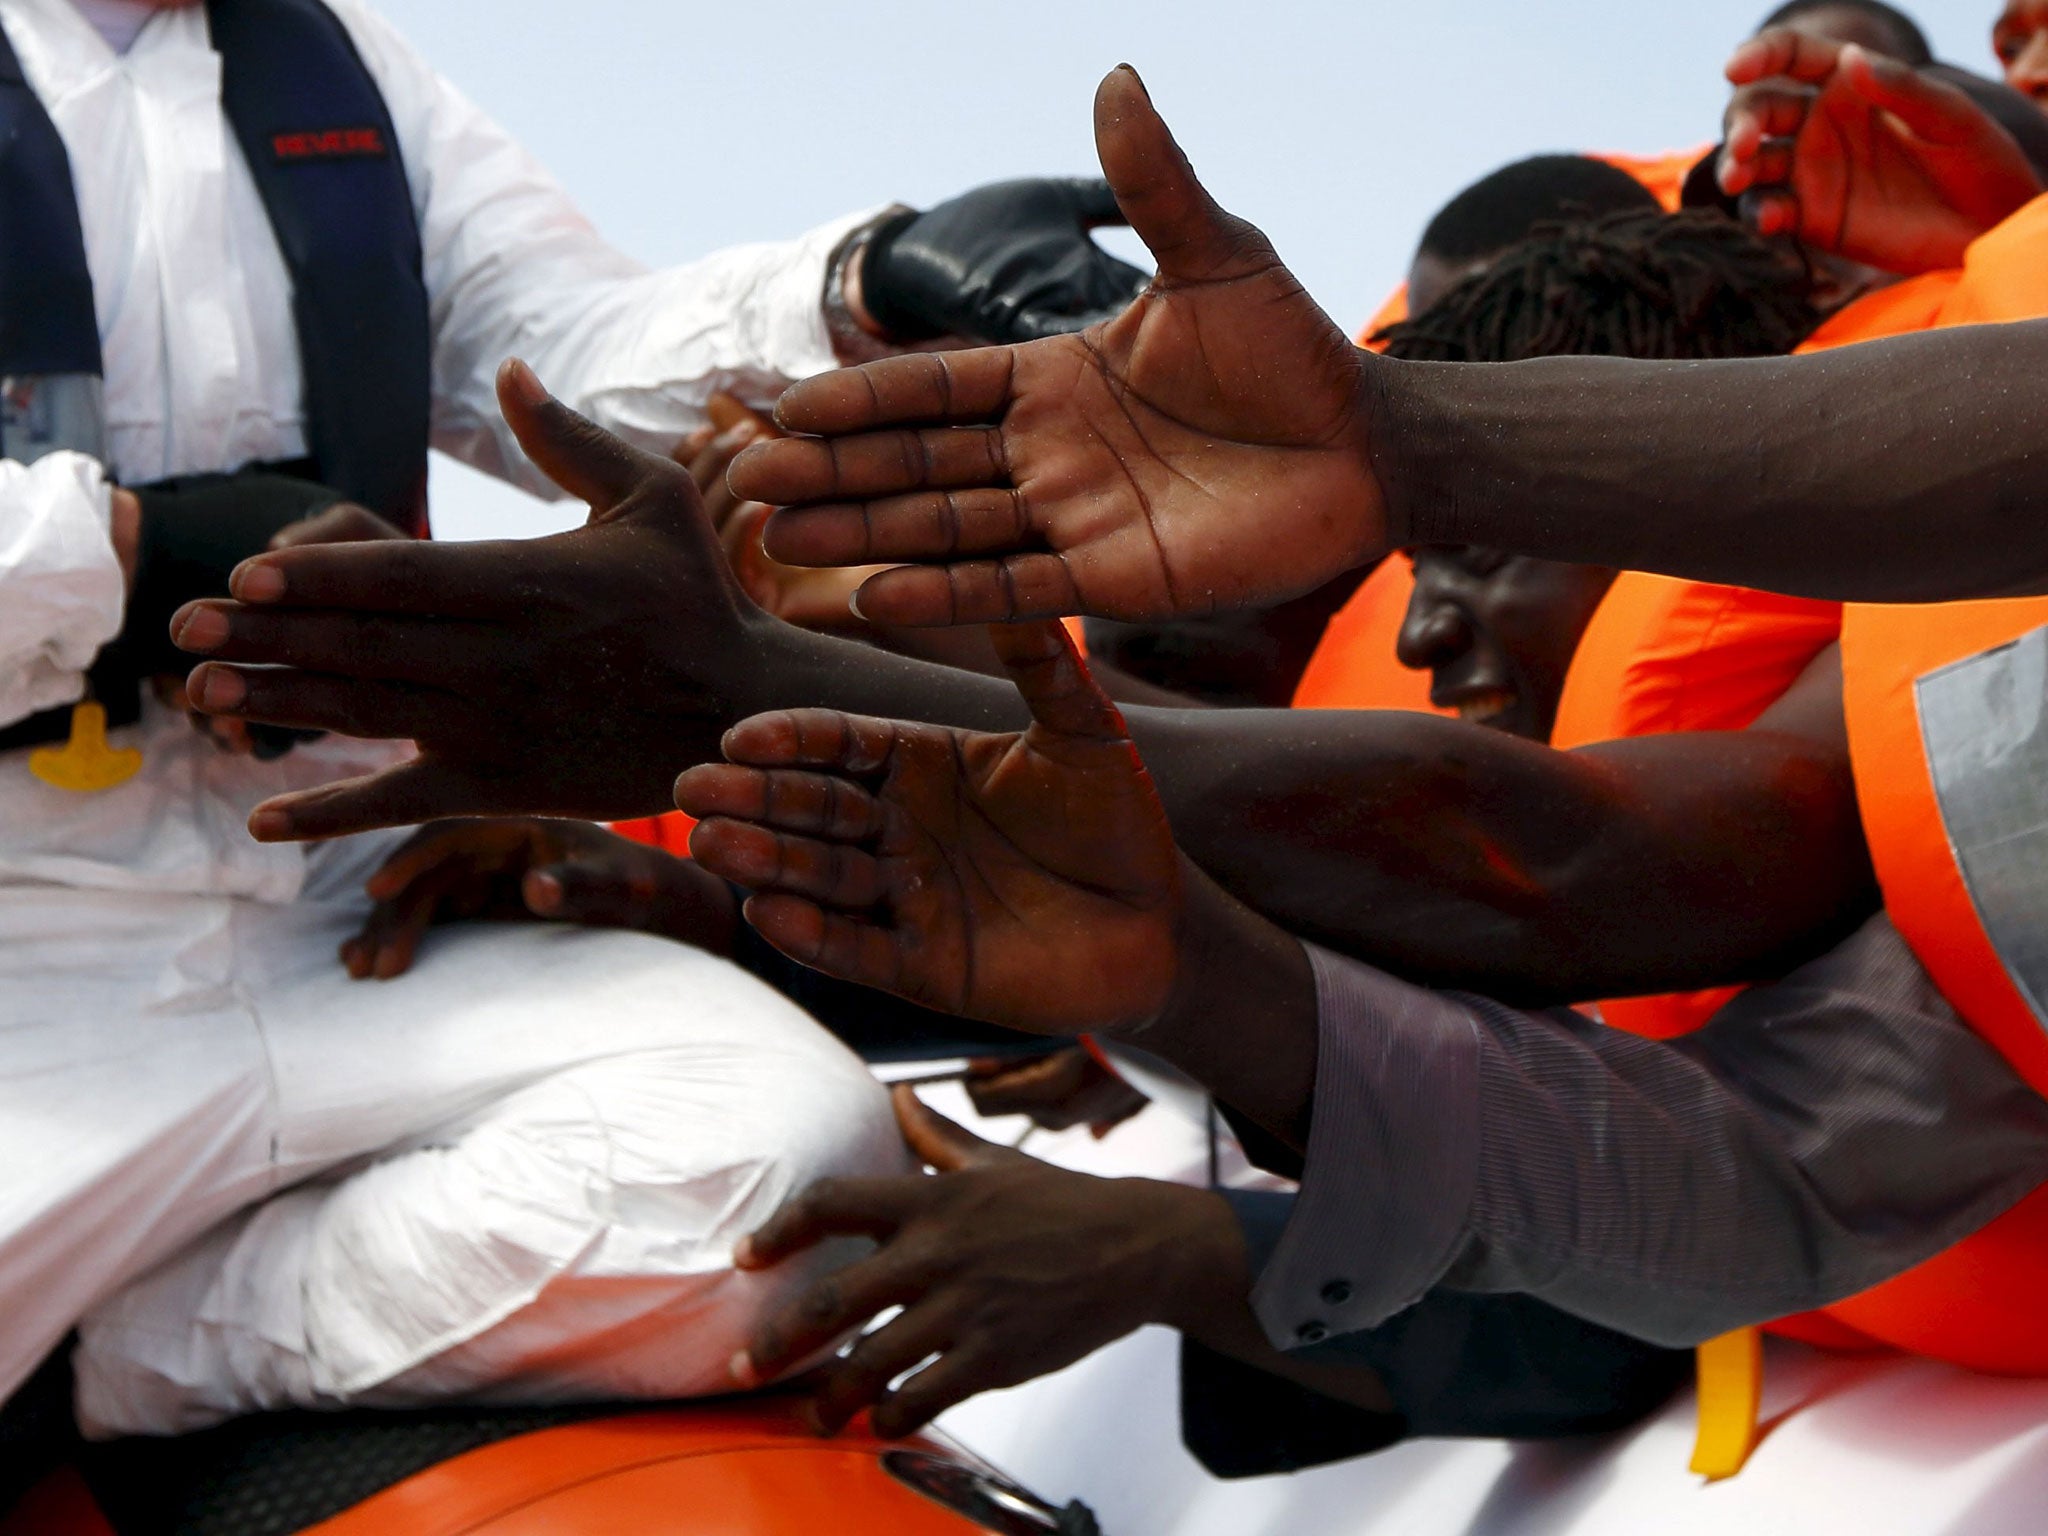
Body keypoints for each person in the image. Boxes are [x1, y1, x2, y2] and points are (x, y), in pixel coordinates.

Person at [0, 0, 1161, 1447]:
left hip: (355, 916)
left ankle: (106, 1360)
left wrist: (859, 284)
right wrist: (122, 553)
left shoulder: (336, 65)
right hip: (24, 945)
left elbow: (559, 354)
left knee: (785, 1176)